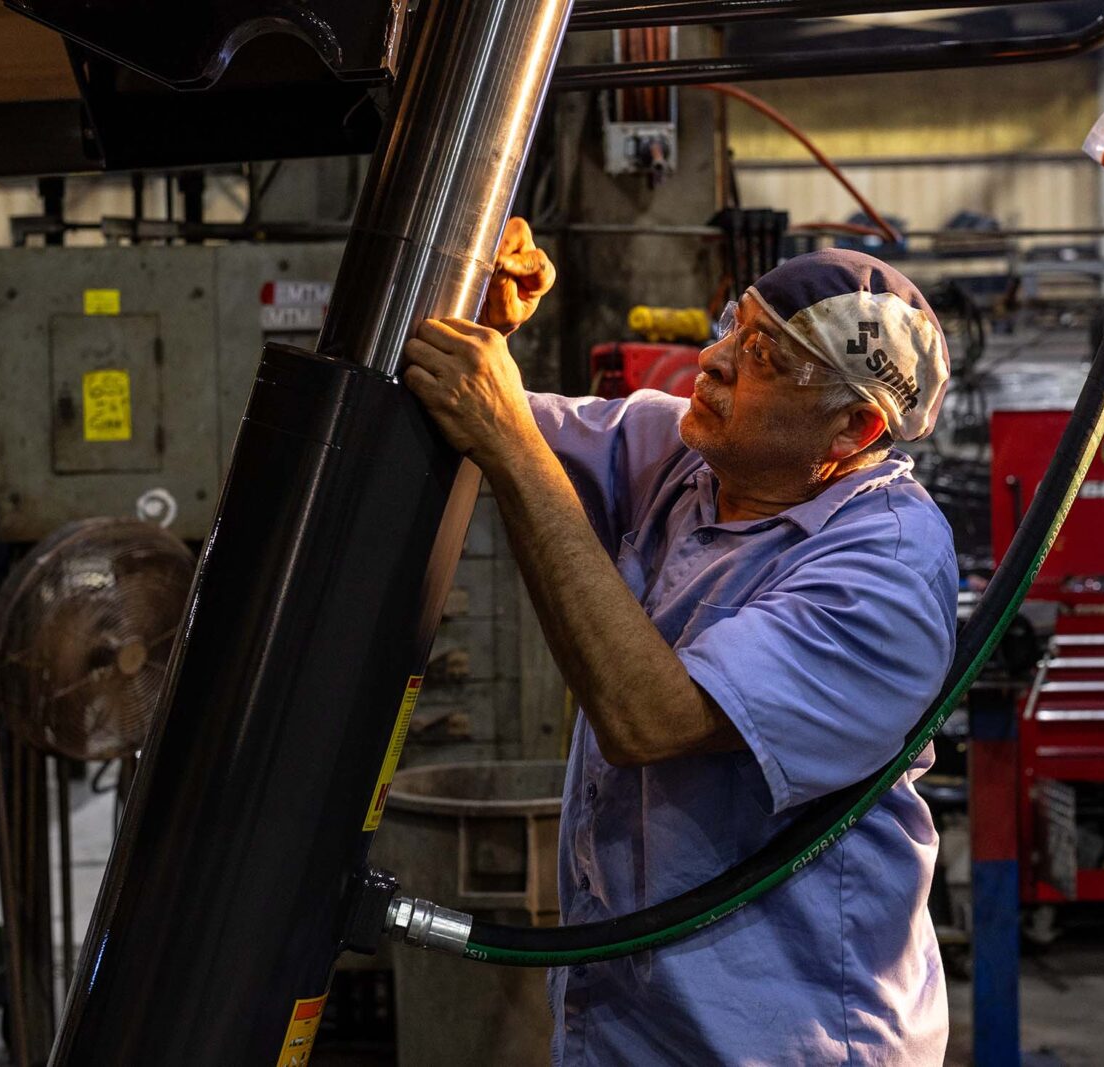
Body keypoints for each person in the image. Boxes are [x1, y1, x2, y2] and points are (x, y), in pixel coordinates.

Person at [402, 217, 957, 1065]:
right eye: (736, 324)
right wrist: (483, 325)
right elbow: (468, 410)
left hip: (782, 1042)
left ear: (852, 429)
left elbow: (650, 719)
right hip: (631, 1027)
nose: (715, 358)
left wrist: (507, 437)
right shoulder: (691, 460)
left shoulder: (884, 572)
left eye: (764, 356)